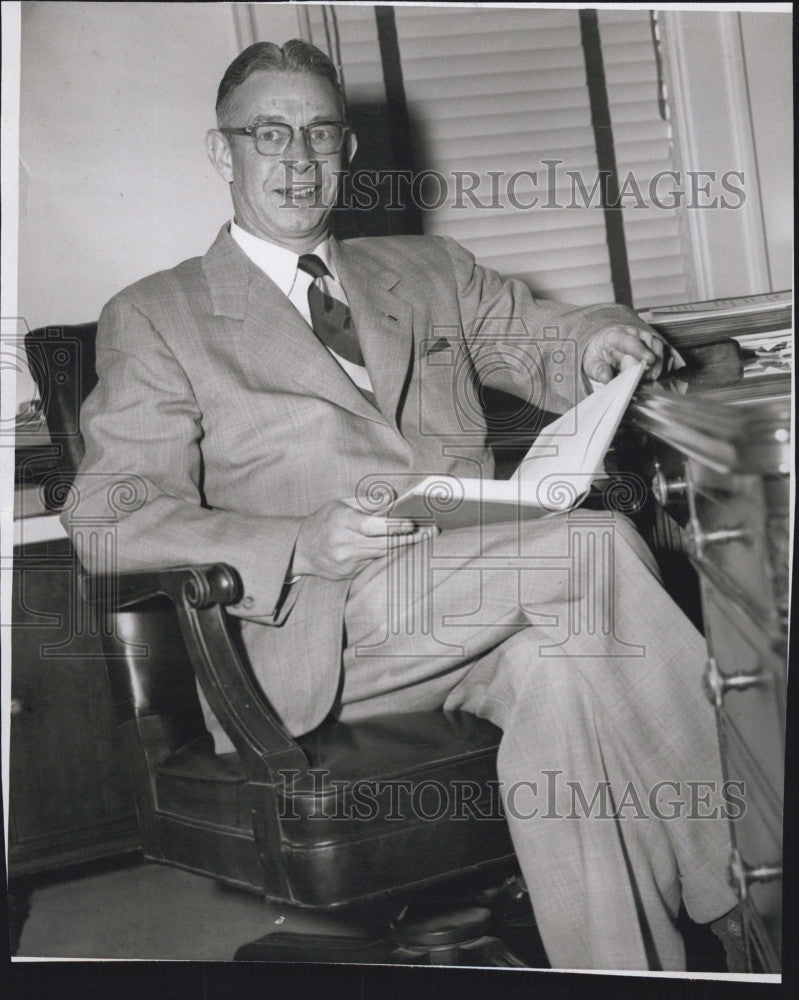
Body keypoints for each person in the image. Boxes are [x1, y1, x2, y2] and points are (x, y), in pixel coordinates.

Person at [65, 39, 744, 971]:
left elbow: (542, 334)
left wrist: (595, 342)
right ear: (222, 153)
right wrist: (304, 541)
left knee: (572, 680)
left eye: (320, 134)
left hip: (477, 611)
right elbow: (109, 517)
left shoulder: (425, 270)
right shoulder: (158, 314)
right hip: (324, 627)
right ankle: (752, 875)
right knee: (588, 550)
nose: (299, 160)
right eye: (270, 133)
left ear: (347, 151)